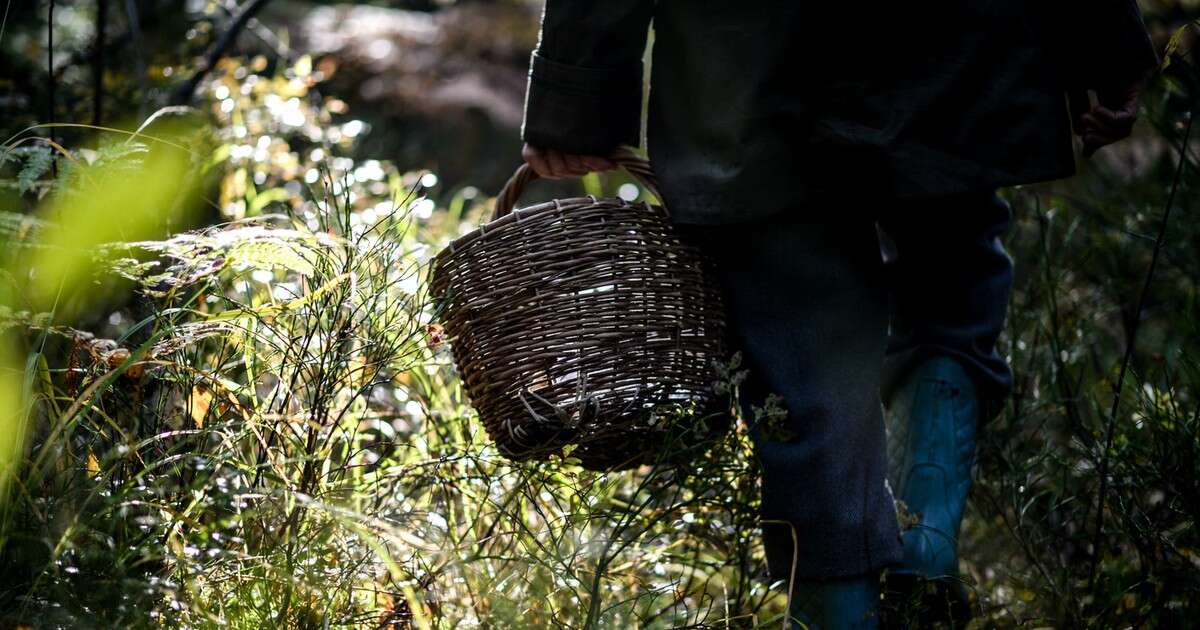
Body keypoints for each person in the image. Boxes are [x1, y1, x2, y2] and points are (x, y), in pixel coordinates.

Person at [516, 2, 1158, 627]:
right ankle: (927, 529)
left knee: (805, 367)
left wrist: (575, 100)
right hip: (953, 46)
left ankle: (842, 606)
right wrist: (1107, 40)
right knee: (953, 280)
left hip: (749, 70)